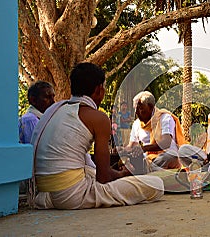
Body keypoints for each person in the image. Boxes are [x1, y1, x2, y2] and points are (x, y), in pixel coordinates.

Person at [31, 62, 164, 209]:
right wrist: (123, 174)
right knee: (156, 185)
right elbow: (103, 178)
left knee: (89, 171)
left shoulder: (56, 110)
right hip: (71, 196)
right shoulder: (98, 118)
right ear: (99, 89)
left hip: (43, 196)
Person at [125, 91, 187, 171]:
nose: (136, 113)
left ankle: (148, 169)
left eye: (140, 108)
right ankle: (149, 168)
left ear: (151, 107)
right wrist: (122, 149)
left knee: (171, 156)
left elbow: (166, 143)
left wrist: (144, 148)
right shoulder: (136, 124)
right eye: (135, 109)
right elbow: (131, 146)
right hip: (148, 159)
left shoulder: (165, 118)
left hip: (166, 156)